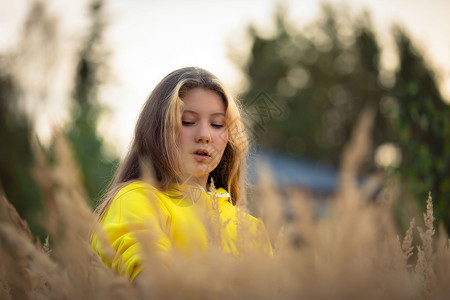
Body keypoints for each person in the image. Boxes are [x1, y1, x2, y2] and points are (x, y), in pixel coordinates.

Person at [91, 67, 272, 282]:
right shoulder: (136, 200)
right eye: (187, 121)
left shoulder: (251, 228)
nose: (204, 135)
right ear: (158, 130)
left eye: (217, 124)